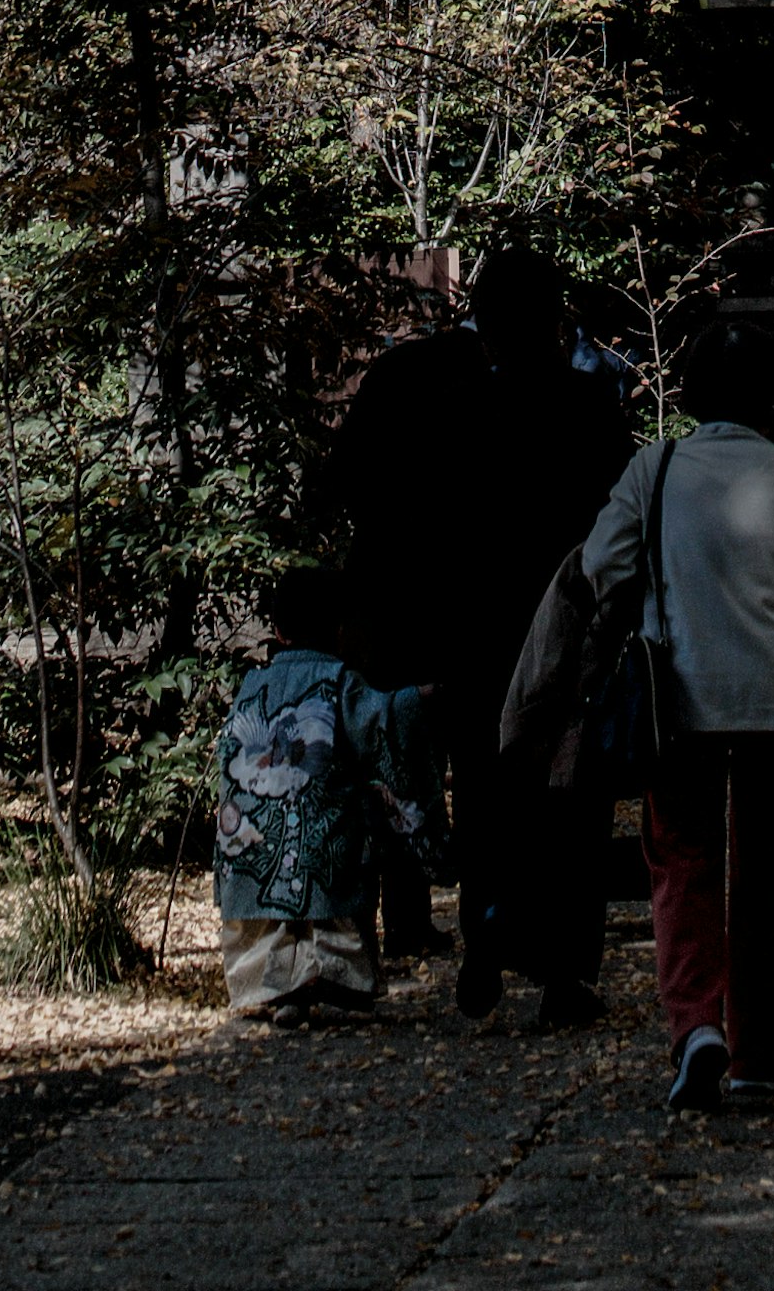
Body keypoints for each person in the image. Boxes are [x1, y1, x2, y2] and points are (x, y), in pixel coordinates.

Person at [320, 238, 636, 1025]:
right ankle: (564, 970)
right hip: (564, 631)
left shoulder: (457, 413)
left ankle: (486, 936)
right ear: (556, 322)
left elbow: (414, 521)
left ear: (485, 326)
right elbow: (618, 526)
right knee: (569, 803)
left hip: (473, 631)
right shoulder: (590, 409)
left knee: (488, 791)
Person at [580, 331, 774, 1114]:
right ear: (764, 404)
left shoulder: (655, 471)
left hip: (677, 699)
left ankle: (695, 1024)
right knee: (768, 877)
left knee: (680, 860)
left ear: (685, 401)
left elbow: (599, 566)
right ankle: (760, 1052)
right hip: (772, 703)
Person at [212, 566, 433, 1023]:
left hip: (254, 833)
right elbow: (382, 722)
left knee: (269, 891)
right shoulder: (341, 681)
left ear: (277, 629)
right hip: (322, 830)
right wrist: (420, 697)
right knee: (332, 868)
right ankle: (331, 978)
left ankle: (275, 988)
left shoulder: (252, 686)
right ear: (339, 628)